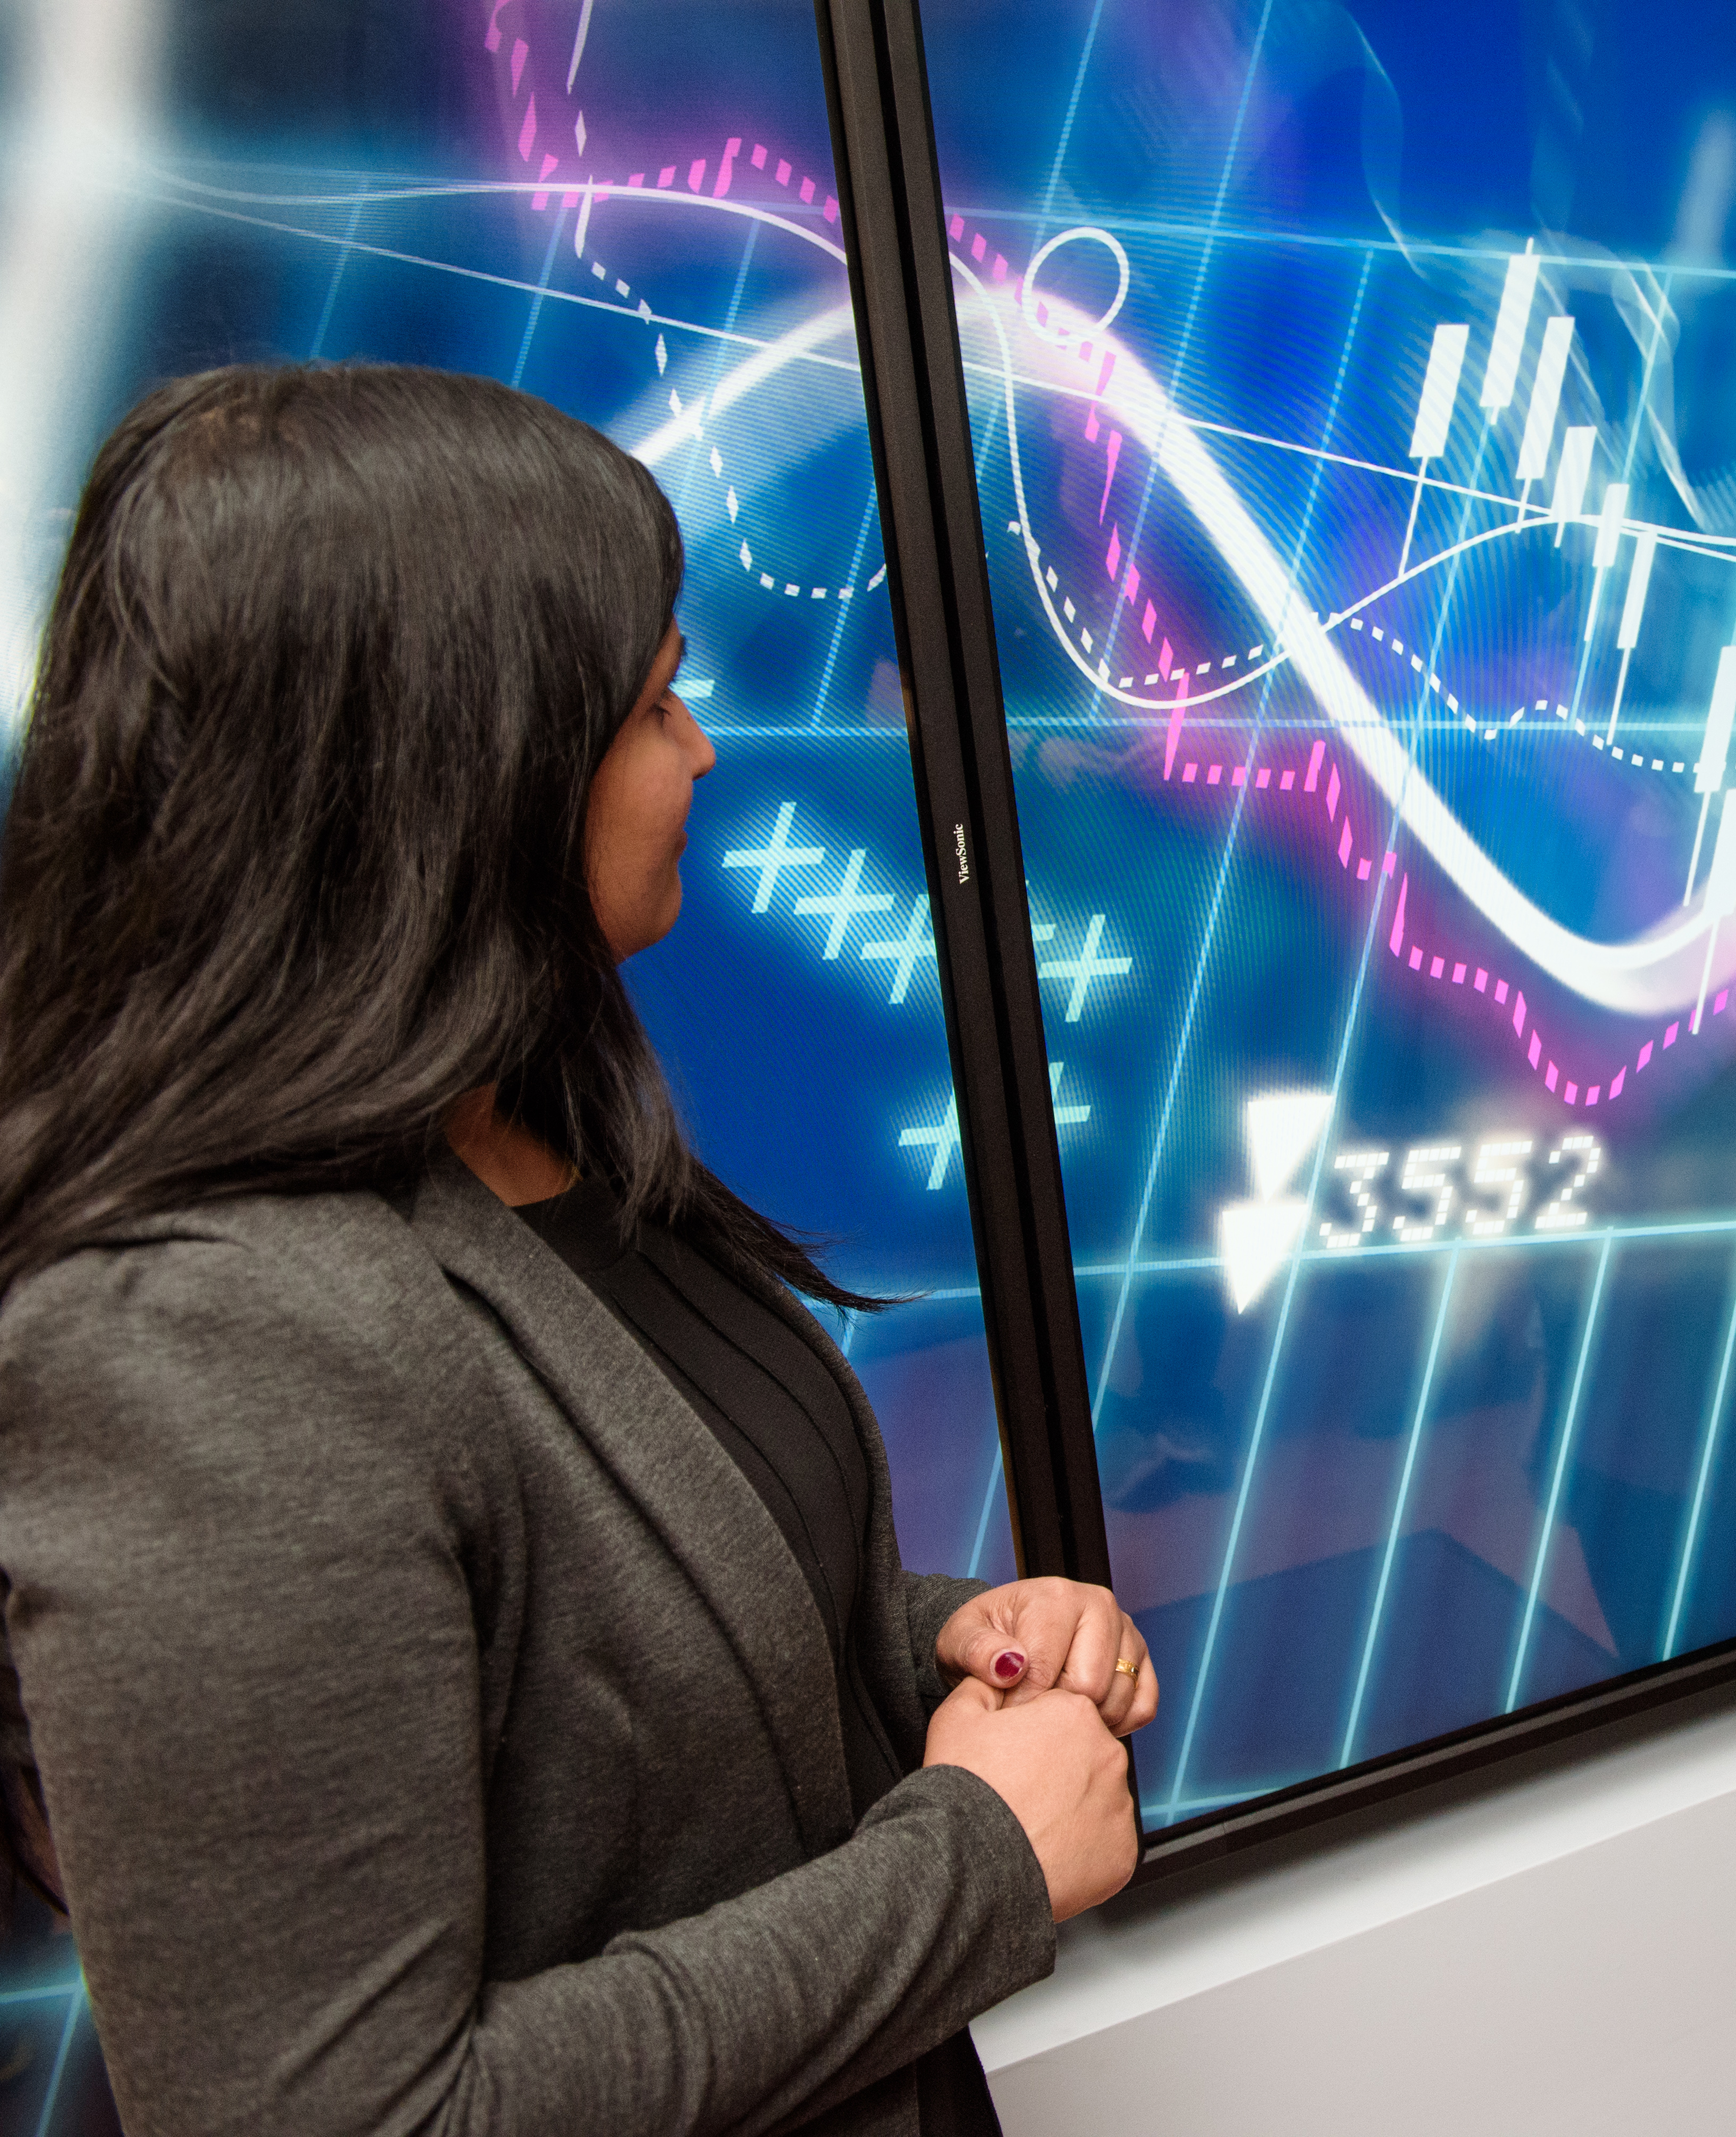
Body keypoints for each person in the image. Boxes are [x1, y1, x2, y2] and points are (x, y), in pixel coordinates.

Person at [0, 364, 1151, 2136]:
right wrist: (975, 1859)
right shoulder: (200, 1342)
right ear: (464, 767)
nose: (700, 752)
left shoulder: (523, 1125)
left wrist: (951, 1647)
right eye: (652, 701)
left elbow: (594, 1683)